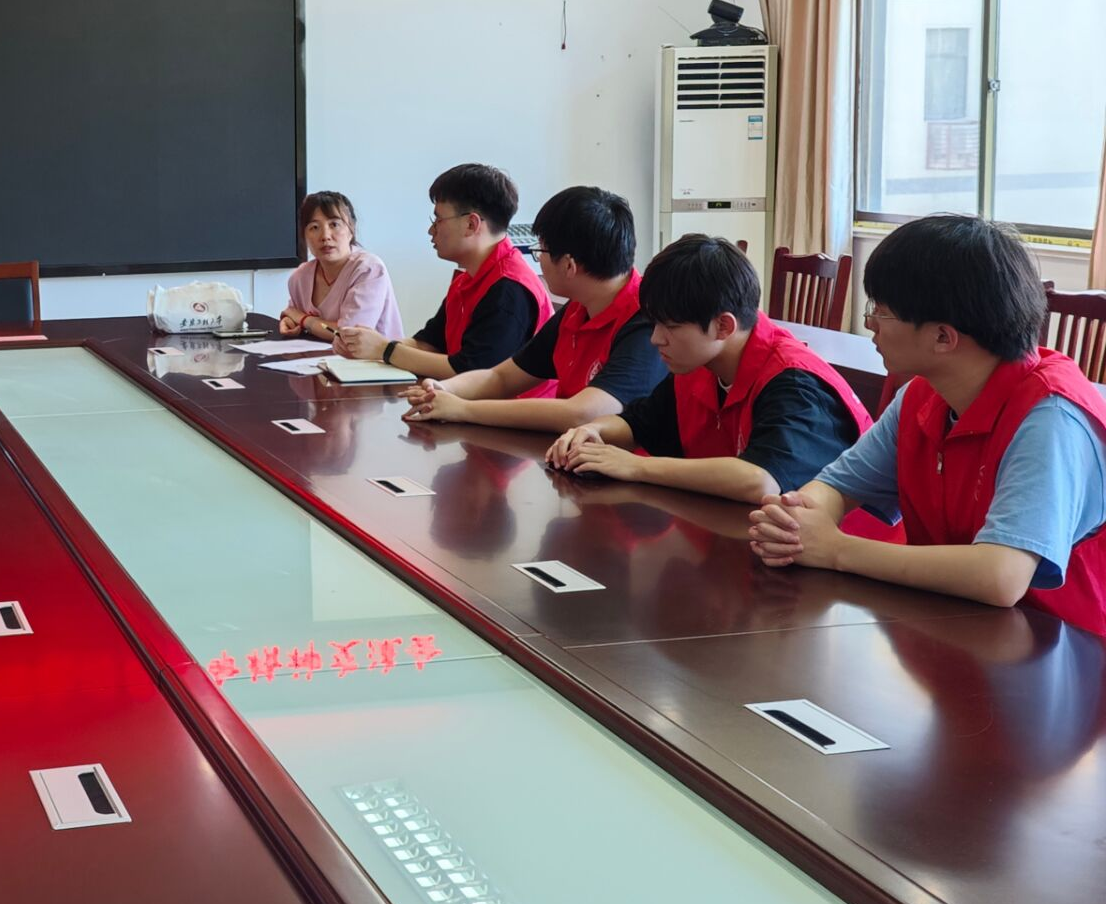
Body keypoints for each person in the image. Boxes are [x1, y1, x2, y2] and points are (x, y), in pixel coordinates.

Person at [749, 215, 1106, 635]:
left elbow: (1000, 576)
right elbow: (837, 485)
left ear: (943, 338)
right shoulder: (923, 395)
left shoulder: (1050, 417)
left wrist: (835, 550)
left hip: (1065, 646)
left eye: (881, 312)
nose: (869, 324)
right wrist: (793, 524)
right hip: (954, 630)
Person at [543, 234, 871, 504]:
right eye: (654, 324)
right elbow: (639, 423)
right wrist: (593, 432)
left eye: (670, 327)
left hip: (834, 553)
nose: (656, 339)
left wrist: (637, 467)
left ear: (723, 326)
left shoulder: (794, 383)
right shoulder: (701, 363)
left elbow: (760, 480)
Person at [401, 185, 665, 432]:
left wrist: (463, 409)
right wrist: (445, 389)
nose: (537, 261)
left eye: (541, 251)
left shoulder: (647, 321)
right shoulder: (578, 308)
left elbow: (583, 413)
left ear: (569, 265)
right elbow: (502, 377)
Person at [333, 164, 549, 383]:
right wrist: (365, 345)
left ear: (471, 224)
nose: (431, 230)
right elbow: (428, 343)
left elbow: (471, 372)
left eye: (438, 220)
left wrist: (384, 350)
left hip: (504, 405)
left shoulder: (509, 289)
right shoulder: (467, 278)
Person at [278, 191, 402, 343]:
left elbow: (349, 334)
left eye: (334, 225)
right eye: (314, 227)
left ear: (351, 229)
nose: (325, 236)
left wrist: (304, 320)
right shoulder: (300, 276)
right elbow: (292, 314)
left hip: (373, 357)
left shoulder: (368, 269)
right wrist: (289, 321)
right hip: (317, 356)